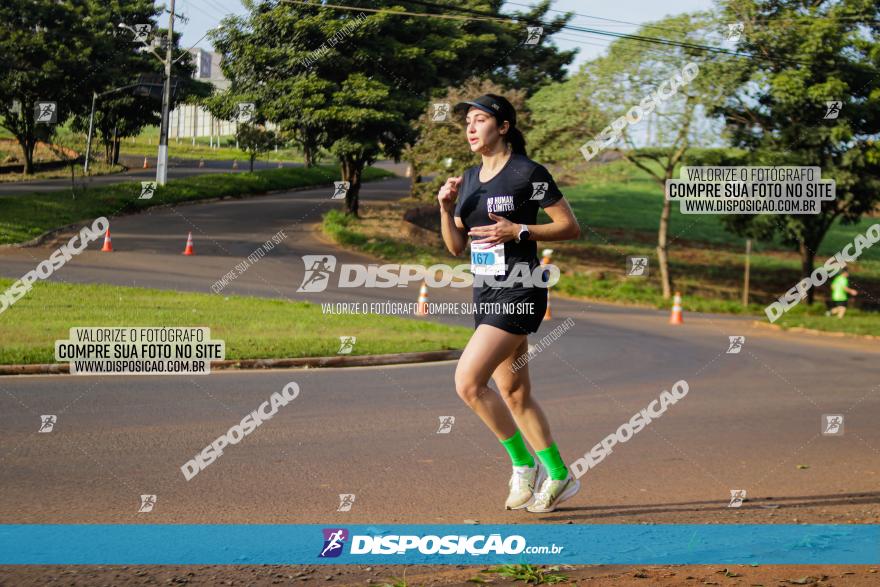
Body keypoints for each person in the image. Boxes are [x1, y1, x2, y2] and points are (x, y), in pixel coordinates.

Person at [437, 94, 582, 513]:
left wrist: (519, 231)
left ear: (502, 127)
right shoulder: (466, 180)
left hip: (521, 290)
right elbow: (454, 247)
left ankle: (522, 465)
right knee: (514, 391)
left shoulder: (527, 173)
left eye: (480, 119)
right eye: (467, 121)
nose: (470, 127)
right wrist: (446, 210)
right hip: (485, 291)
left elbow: (569, 227)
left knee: (467, 382)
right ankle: (558, 474)